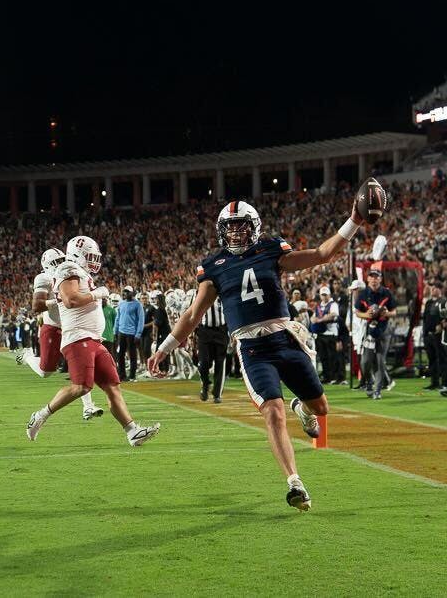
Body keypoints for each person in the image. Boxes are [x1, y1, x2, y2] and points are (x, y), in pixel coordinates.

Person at [148, 199, 366, 511]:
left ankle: (303, 410)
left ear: (254, 227)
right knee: (273, 411)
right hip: (252, 348)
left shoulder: (271, 250)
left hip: (285, 339)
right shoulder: (213, 267)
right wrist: (164, 349)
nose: (236, 232)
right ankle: (294, 482)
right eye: (230, 226)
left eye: (242, 225)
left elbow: (321, 255)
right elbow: (193, 315)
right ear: (222, 231)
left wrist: (354, 220)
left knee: (321, 407)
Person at [26, 236, 160, 446]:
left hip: (93, 338)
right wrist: (97, 294)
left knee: (112, 386)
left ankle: (132, 431)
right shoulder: (68, 269)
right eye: (89, 256)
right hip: (78, 337)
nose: (93, 260)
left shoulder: (79, 272)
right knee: (81, 387)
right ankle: (41, 415)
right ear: (77, 255)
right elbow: (71, 301)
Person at [22, 248, 103, 420]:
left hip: (73, 328)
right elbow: (36, 306)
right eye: (55, 262)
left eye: (61, 260)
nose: (59, 264)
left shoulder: (71, 271)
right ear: (46, 266)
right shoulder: (43, 277)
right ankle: (29, 356)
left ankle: (88, 407)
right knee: (46, 371)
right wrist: (57, 300)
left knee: (81, 369)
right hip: (53, 327)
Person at [355, 268, 397, 400]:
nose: (374, 279)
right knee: (365, 362)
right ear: (368, 279)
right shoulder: (363, 293)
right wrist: (366, 314)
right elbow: (357, 312)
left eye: (376, 277)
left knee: (380, 360)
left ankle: (377, 390)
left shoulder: (386, 292)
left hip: (384, 328)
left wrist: (386, 313)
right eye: (371, 277)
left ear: (380, 279)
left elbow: (394, 311)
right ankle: (368, 382)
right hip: (369, 329)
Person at [196, 295, 227, 402]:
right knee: (203, 362)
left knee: (220, 363)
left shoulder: (224, 293)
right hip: (205, 331)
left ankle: (217, 394)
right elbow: (193, 313)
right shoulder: (199, 293)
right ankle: (205, 384)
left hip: (221, 331)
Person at [421, 280, 447, 390]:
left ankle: (445, 383)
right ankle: (434, 382)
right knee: (432, 359)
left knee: (442, 359)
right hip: (429, 335)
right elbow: (425, 319)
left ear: (440, 290)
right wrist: (425, 333)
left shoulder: (444, 302)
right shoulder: (428, 303)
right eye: (432, 288)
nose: (433, 290)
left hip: (439, 335)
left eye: (436, 288)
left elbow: (446, 318)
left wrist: (441, 327)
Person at [312, 286, 341, 385]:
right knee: (323, 357)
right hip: (321, 333)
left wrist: (320, 320)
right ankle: (326, 376)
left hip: (331, 333)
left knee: (332, 356)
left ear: (329, 295)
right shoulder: (319, 306)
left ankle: (334, 376)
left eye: (325, 295)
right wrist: (314, 320)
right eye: (322, 295)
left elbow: (333, 314)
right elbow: (313, 317)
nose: (324, 297)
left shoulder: (333, 304)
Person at [115, 286, 144, 381]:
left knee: (132, 355)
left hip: (132, 334)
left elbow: (141, 320)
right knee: (120, 355)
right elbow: (118, 318)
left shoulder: (137, 305)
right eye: (124, 292)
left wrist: (138, 334)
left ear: (132, 293)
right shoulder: (121, 304)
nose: (125, 293)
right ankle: (122, 375)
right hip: (121, 333)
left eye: (127, 292)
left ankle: (132, 375)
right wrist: (115, 331)